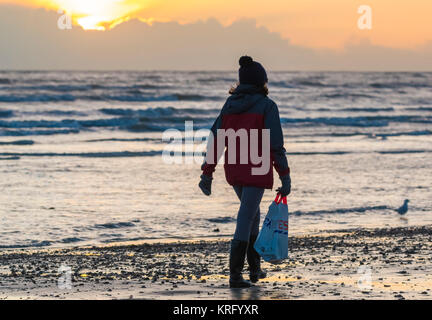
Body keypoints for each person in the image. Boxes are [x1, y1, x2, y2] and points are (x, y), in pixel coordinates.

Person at [198, 56, 291, 288]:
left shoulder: (229, 106)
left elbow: (215, 140)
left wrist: (207, 173)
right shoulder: (267, 106)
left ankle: (255, 269)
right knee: (246, 216)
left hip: (235, 170)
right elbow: (275, 144)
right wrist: (285, 175)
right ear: (262, 82)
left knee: (252, 214)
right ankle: (235, 275)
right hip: (256, 170)